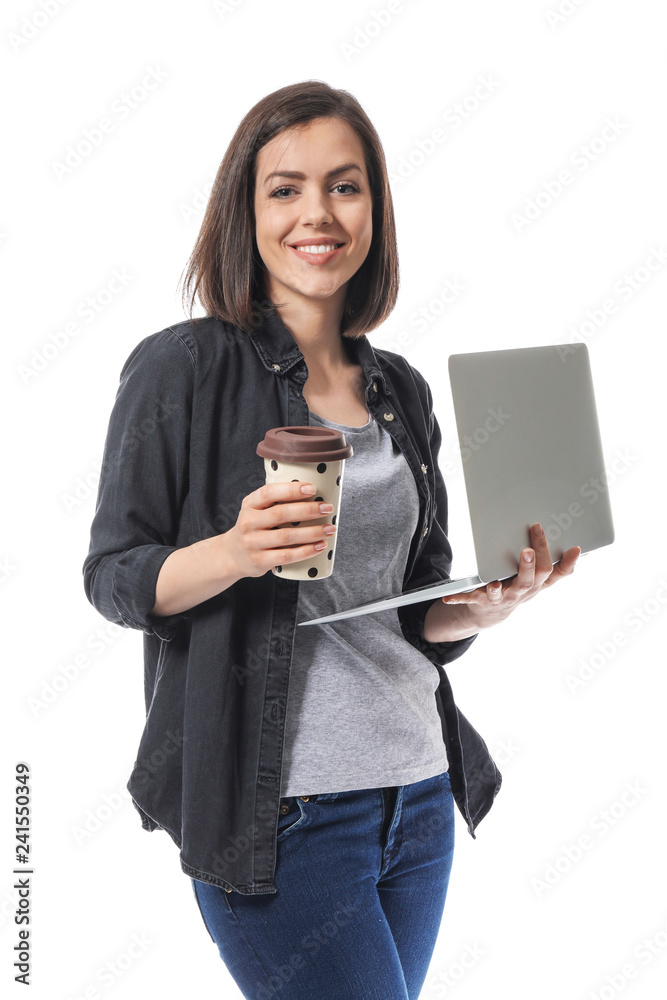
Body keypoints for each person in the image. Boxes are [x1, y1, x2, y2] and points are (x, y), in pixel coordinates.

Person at [82, 80, 580, 1000]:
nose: (317, 213)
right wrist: (234, 549)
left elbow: (407, 603)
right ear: (247, 209)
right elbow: (113, 578)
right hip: (280, 811)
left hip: (421, 791)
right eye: (285, 188)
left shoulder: (401, 387)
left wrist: (471, 610)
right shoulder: (180, 368)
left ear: (374, 209)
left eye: (344, 187)